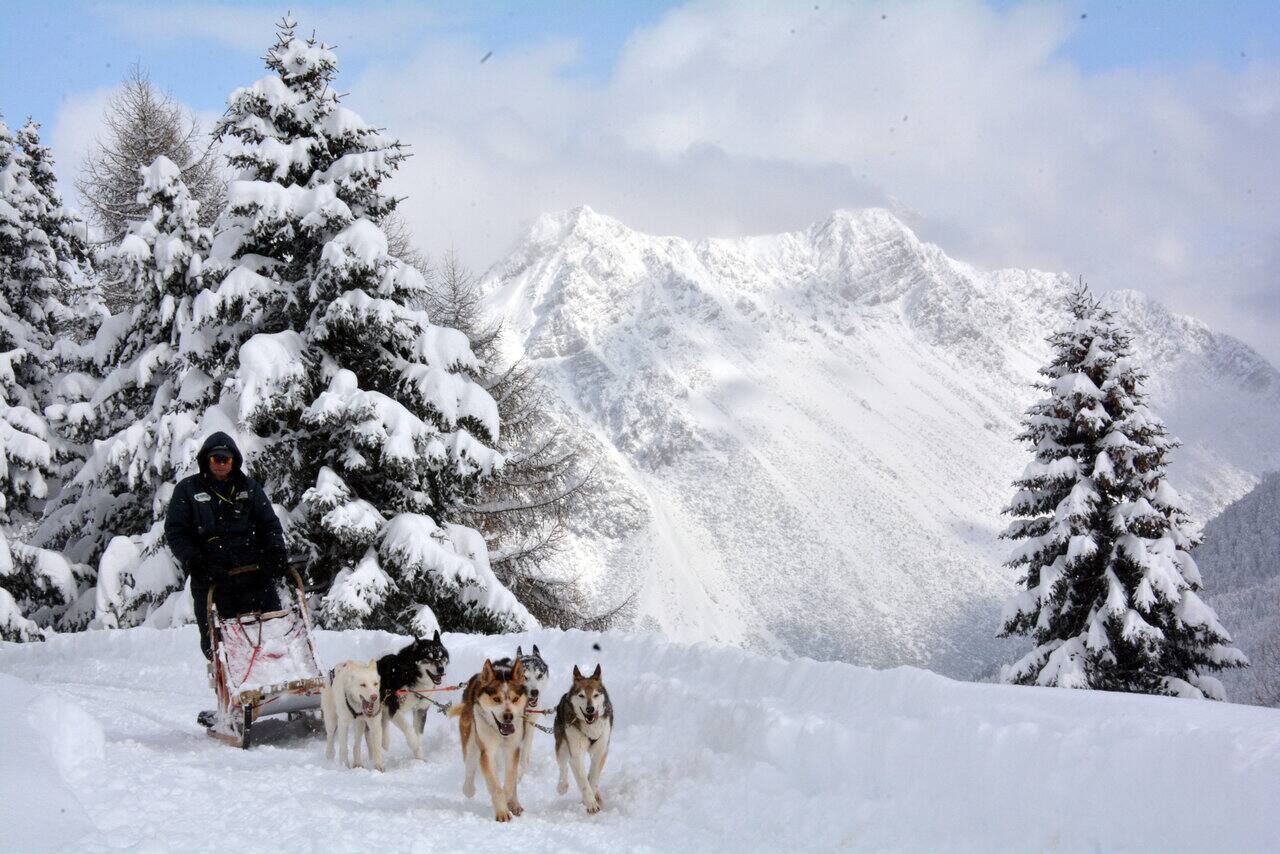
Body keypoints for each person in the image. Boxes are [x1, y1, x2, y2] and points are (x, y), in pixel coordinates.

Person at [165, 431, 289, 660]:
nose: (221, 464)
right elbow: (175, 531)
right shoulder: (188, 490)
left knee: (272, 634)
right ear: (206, 460)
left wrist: (276, 552)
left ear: (234, 461)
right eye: (216, 459)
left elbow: (269, 524)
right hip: (213, 578)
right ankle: (232, 690)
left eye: (226, 459)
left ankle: (283, 683)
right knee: (221, 648)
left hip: (253, 575)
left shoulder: (249, 488)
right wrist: (194, 559)